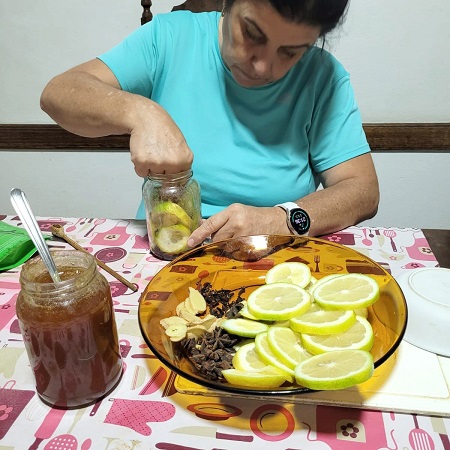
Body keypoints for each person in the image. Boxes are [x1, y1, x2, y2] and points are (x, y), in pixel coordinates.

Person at [40, 0, 379, 248]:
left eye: (290, 52)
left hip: (273, 258)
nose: (263, 67)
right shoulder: (170, 38)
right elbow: (58, 92)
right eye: (252, 33)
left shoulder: (323, 77)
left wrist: (280, 219)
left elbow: (362, 191)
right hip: (168, 249)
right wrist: (141, 112)